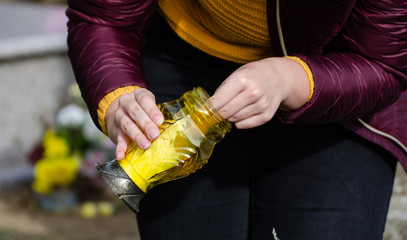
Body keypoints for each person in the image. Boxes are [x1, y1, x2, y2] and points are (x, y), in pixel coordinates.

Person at [66, 0, 407, 239]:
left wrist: (288, 79)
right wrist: (116, 95)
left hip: (337, 74)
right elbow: (103, 17)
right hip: (179, 54)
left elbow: (380, 61)